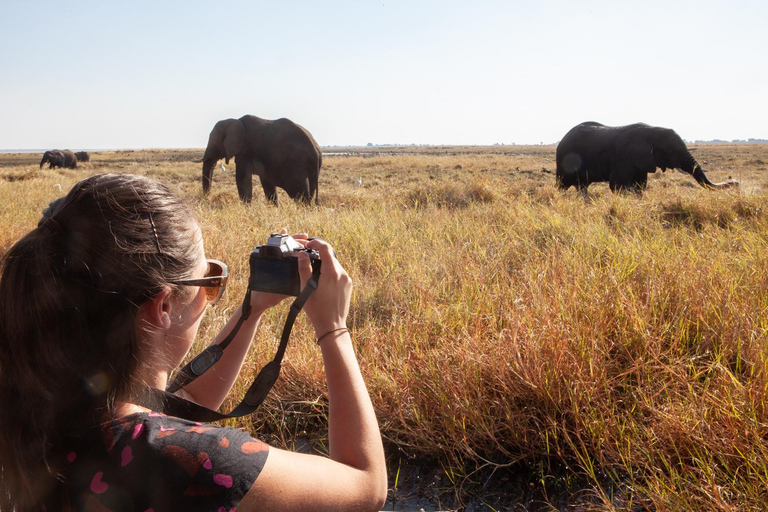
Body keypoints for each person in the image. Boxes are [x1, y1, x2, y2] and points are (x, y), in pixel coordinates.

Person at [0, 174, 387, 511]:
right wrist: (334, 328)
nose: (211, 292)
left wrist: (250, 311)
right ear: (164, 305)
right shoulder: (202, 461)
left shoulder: (37, 404)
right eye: (210, 281)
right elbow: (365, 486)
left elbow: (186, 411)